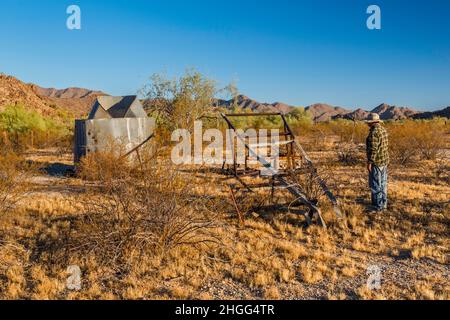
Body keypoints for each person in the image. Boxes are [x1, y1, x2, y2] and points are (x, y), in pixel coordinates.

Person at [366, 113, 389, 212]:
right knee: (383, 184)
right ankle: (383, 204)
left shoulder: (374, 133)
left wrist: (369, 162)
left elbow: (374, 150)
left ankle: (378, 206)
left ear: (371, 123)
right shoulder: (383, 130)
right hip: (384, 161)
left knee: (375, 185)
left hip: (376, 162)